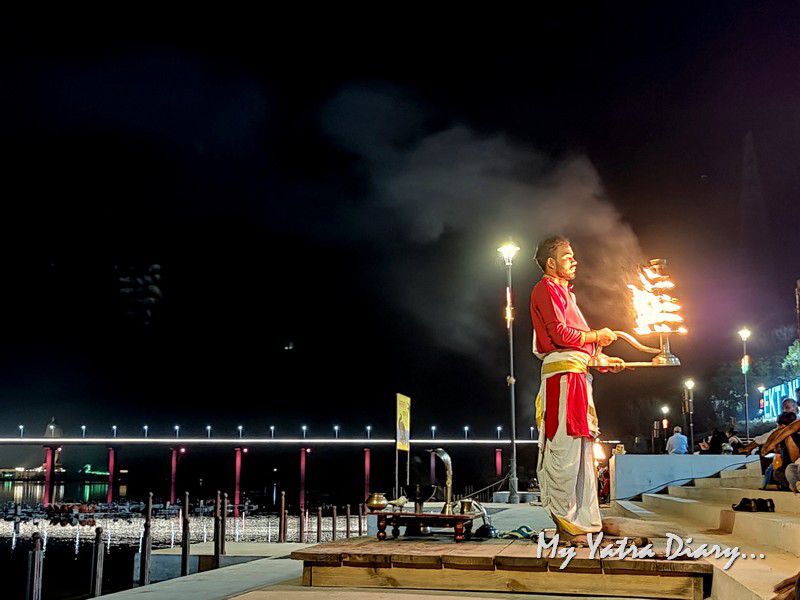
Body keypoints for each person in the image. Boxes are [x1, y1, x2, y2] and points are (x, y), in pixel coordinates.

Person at [530, 236, 624, 542]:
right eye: (567, 257)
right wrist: (597, 335)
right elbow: (558, 334)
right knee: (565, 448)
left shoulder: (564, 293)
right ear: (551, 263)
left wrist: (605, 360)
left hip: (576, 378)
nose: (574, 261)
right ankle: (566, 524)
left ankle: (583, 521)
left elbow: (577, 343)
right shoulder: (546, 289)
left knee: (583, 451)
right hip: (563, 382)